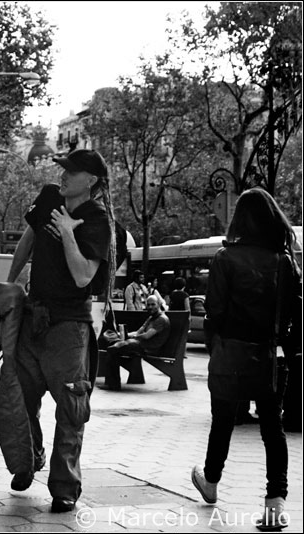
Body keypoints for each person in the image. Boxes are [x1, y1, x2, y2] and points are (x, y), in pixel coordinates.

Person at [5, 148, 116, 513]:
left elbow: (84, 275)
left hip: (69, 327)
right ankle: (28, 459)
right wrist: (9, 286)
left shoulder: (97, 219)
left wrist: (69, 233)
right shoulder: (51, 196)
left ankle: (64, 487)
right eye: (64, 168)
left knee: (70, 408)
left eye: (73, 170)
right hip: (33, 316)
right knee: (19, 397)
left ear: (92, 181)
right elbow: (30, 239)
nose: (64, 175)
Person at [191, 188, 300, 532]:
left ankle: (210, 481)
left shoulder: (225, 258)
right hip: (270, 355)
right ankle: (274, 504)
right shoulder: (284, 262)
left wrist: (216, 346)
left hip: (230, 352)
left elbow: (214, 312)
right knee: (272, 429)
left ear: (240, 219)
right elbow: (295, 313)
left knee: (222, 421)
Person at [99, 295, 170, 390]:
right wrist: (123, 334)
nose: (150, 307)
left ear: (159, 304)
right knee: (112, 341)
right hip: (139, 344)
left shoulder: (161, 319)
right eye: (148, 305)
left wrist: (129, 337)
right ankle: (112, 383)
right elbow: (138, 332)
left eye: (153, 304)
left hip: (148, 348)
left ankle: (113, 384)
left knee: (113, 349)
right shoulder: (151, 318)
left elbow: (146, 336)